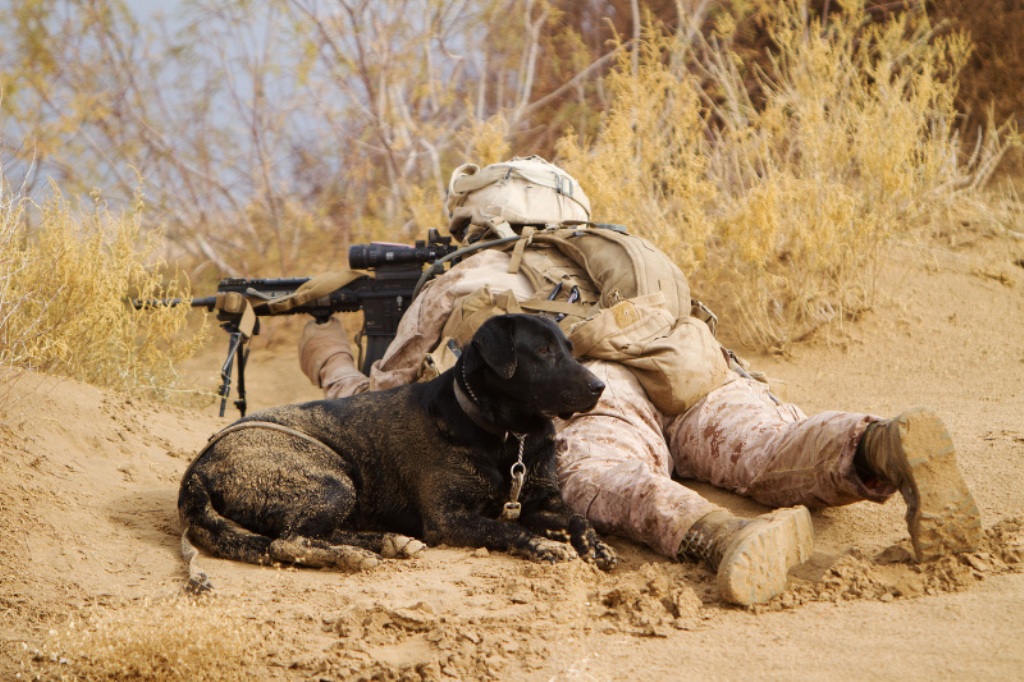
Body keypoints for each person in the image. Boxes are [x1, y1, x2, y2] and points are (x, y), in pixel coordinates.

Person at [297, 157, 983, 606]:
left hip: (587, 386)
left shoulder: (467, 277)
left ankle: (719, 535)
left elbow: (384, 405)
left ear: (480, 220)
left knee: (601, 474)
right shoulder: (615, 258)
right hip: (690, 368)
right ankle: (877, 445)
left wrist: (328, 355)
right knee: (770, 446)